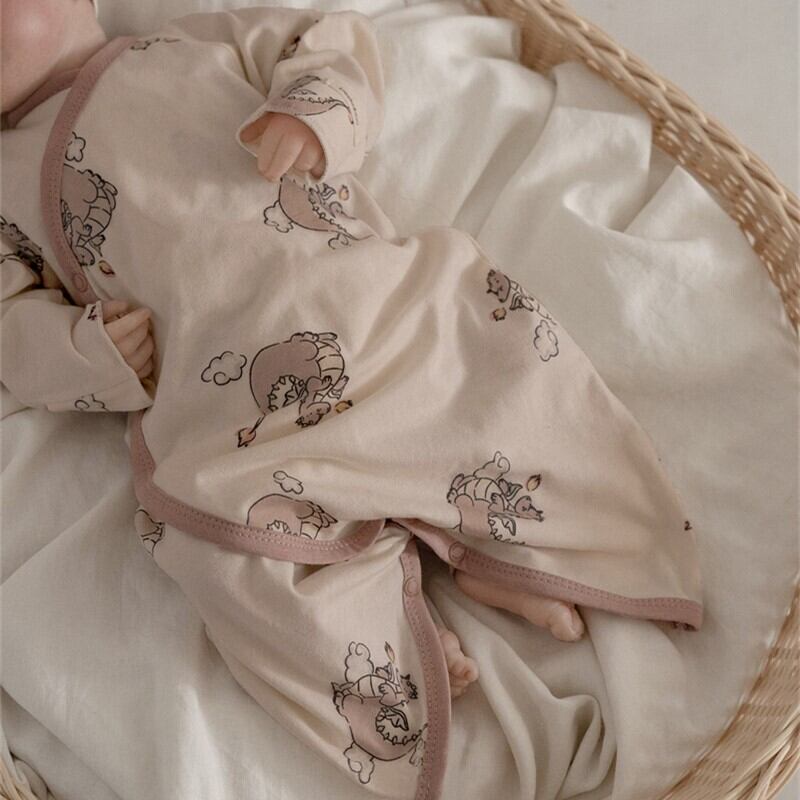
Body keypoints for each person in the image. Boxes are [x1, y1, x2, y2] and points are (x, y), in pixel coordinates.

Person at [0, 2, 702, 795]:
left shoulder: (190, 40)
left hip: (364, 307)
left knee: (497, 362)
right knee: (223, 553)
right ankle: (389, 650)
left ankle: (496, 547)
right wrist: (83, 353)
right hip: (232, 415)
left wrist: (311, 114)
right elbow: (9, 329)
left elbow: (325, 41)